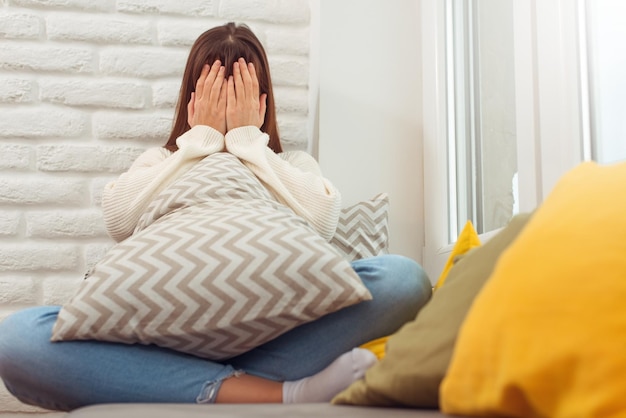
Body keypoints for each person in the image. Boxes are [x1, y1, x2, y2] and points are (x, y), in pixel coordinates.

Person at [0, 22, 432, 411]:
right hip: (164, 343)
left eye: (239, 93)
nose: (226, 105)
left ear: (261, 102)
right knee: (18, 339)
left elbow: (323, 224)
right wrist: (199, 140)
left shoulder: (290, 164)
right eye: (213, 92)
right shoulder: (163, 160)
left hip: (271, 340)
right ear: (193, 99)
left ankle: (197, 386)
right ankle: (274, 393)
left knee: (402, 279)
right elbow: (119, 219)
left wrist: (248, 142)